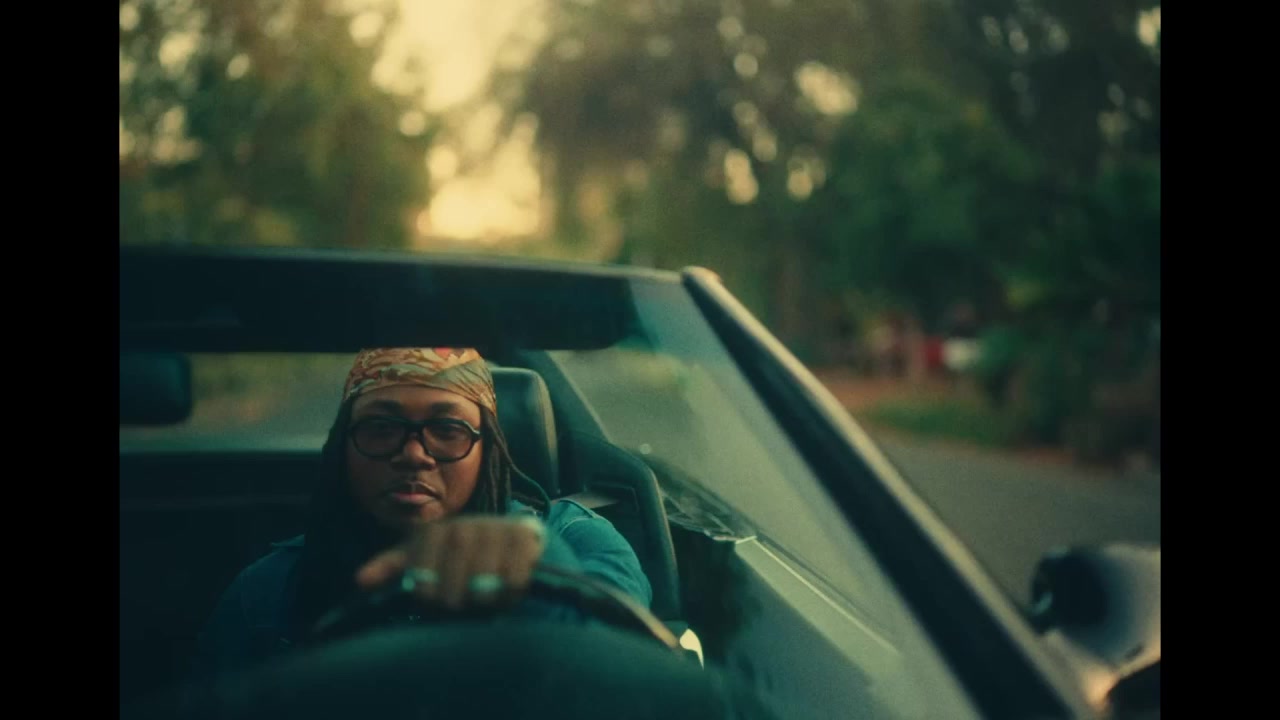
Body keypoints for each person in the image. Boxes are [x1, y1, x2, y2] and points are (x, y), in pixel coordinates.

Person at [188, 347, 652, 680]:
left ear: (488, 450)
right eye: (381, 427)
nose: (413, 454)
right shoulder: (269, 590)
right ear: (342, 447)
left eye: (447, 429)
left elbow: (626, 668)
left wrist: (543, 575)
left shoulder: (580, 541)